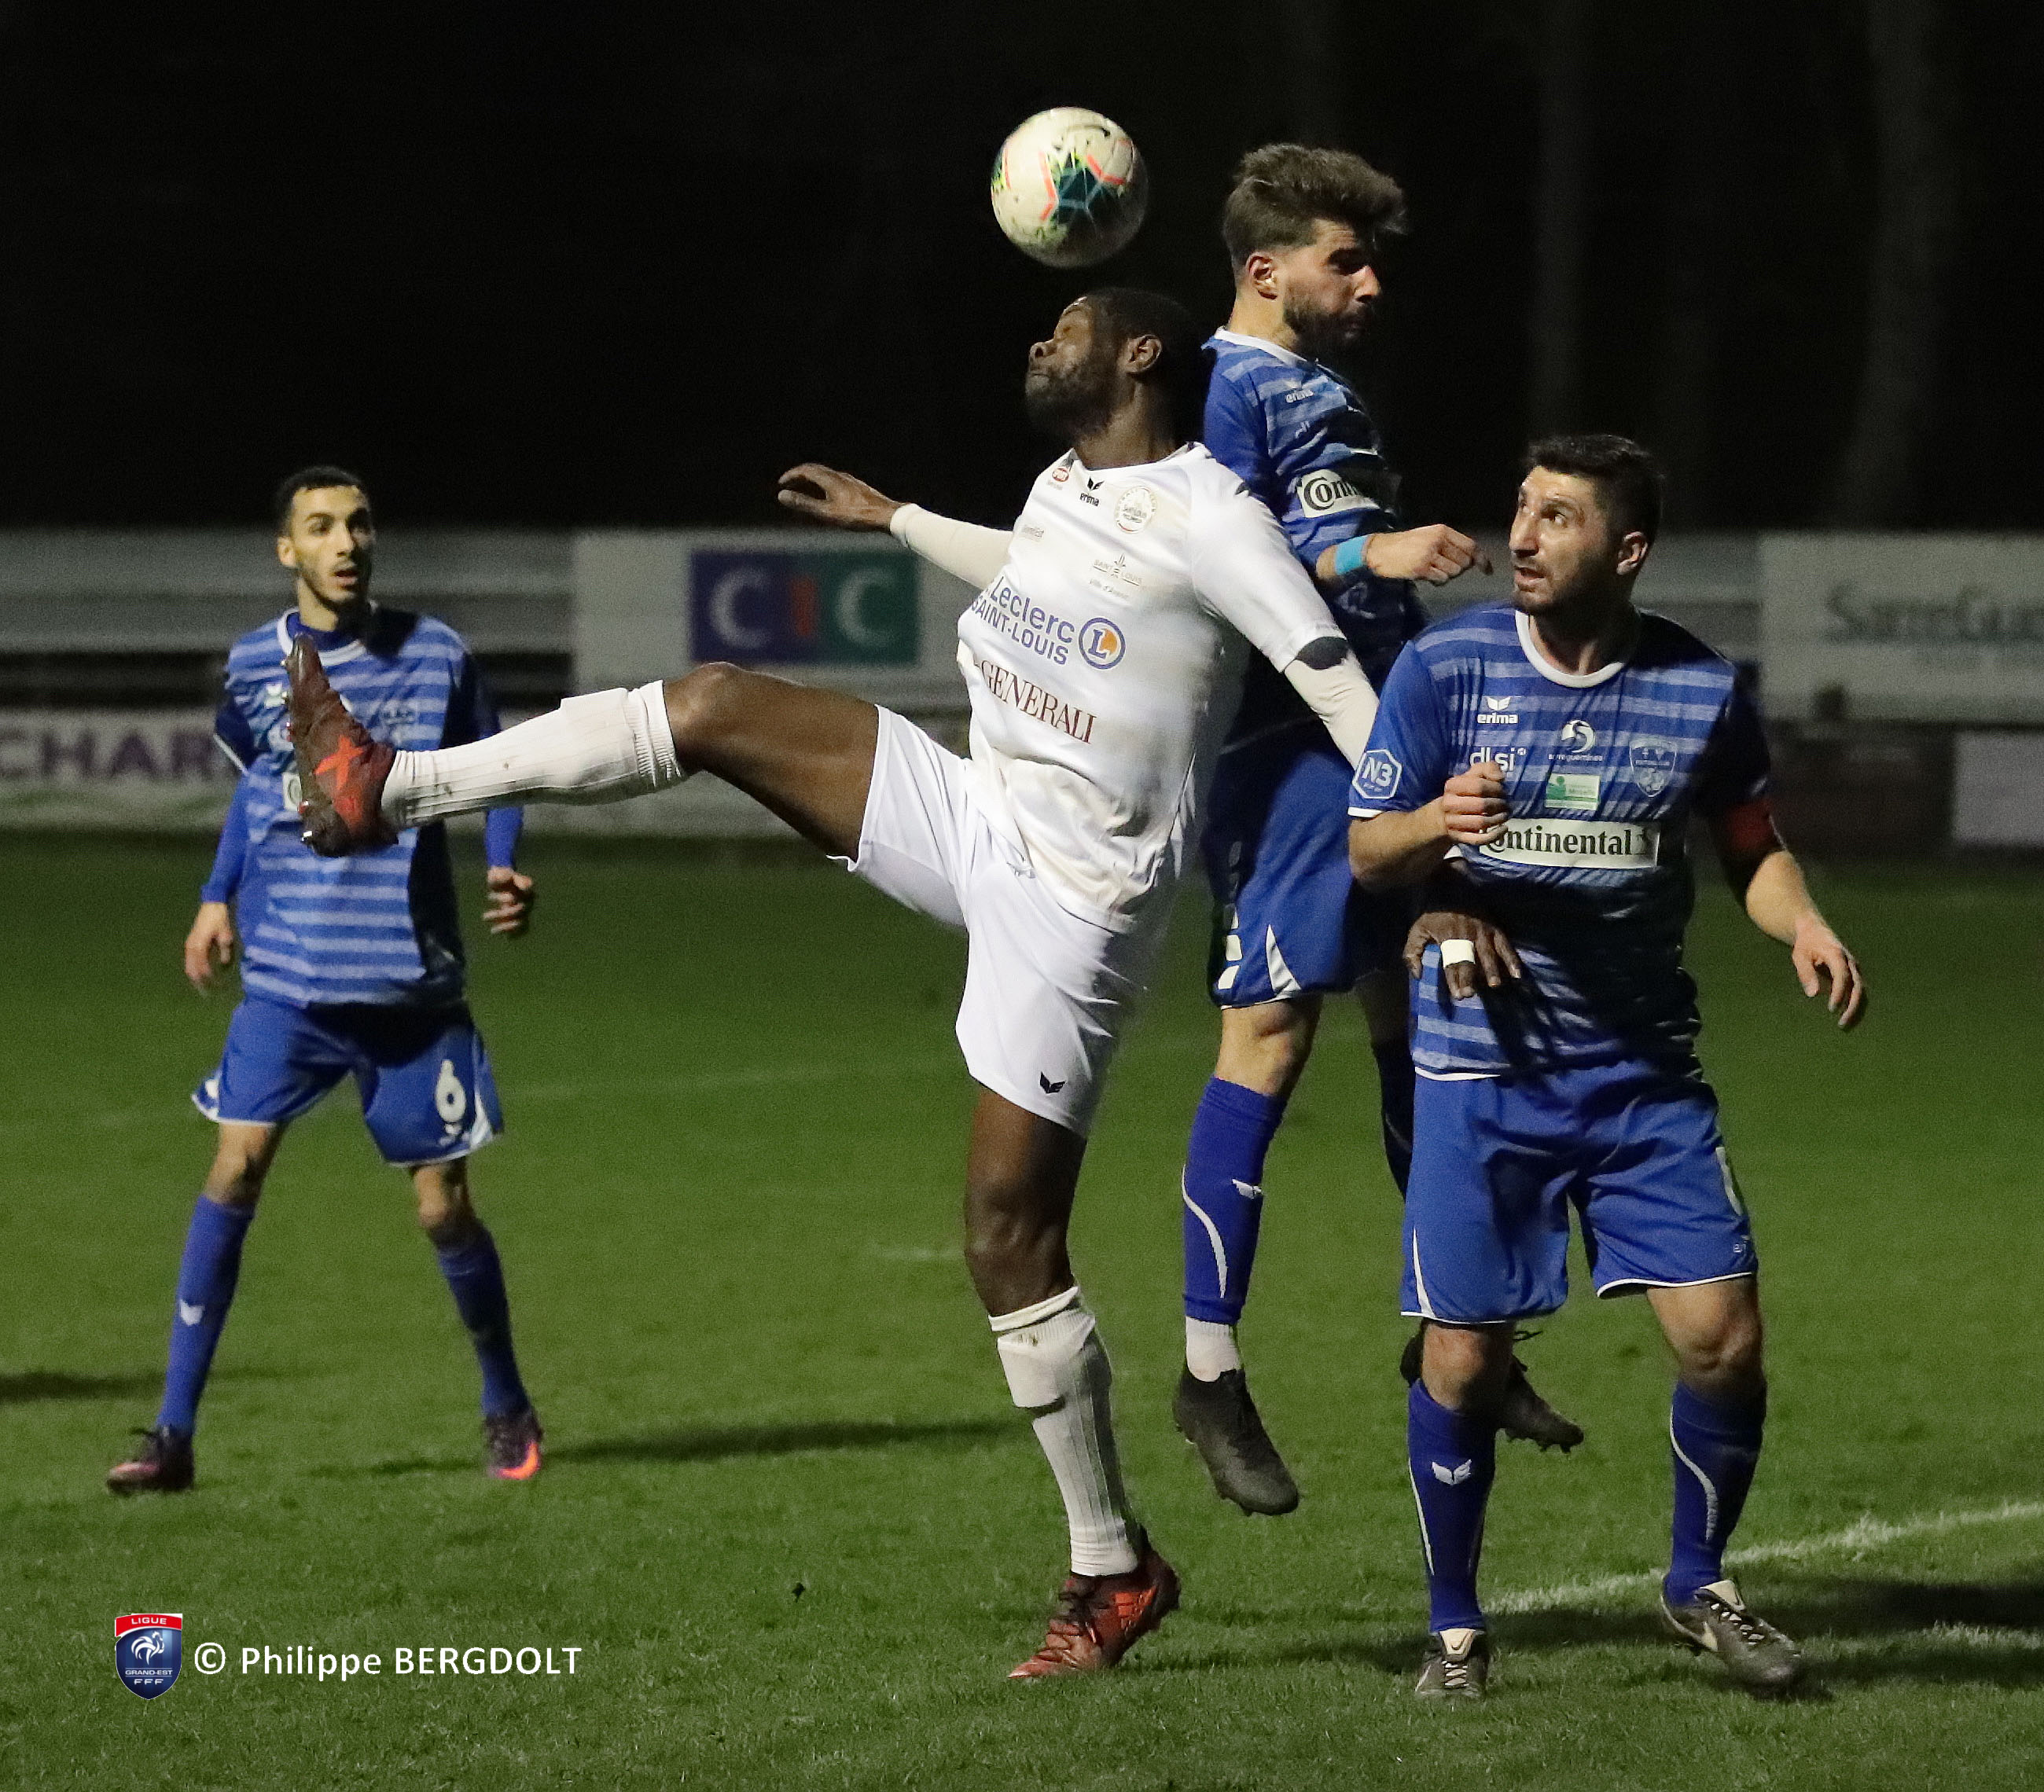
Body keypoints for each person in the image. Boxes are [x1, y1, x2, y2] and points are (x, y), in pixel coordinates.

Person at [285, 290, 1384, 1678]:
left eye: (1068, 324)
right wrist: (896, 518)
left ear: (1142, 354)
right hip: (981, 811)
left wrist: (1439, 846)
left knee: (1006, 1242)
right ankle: (386, 786)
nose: (1041, 340)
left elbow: (1330, 674)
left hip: (1078, 904)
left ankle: (1112, 1567)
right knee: (714, 704)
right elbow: (1036, 565)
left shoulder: (1217, 514)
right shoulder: (1069, 483)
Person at [1347, 434, 1868, 1698]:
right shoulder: (1447, 668)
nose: (1523, 537)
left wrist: (1800, 921)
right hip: (1484, 1072)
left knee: (1724, 1339)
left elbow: (1751, 843)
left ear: (1627, 551)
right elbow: (1366, 849)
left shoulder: (1699, 687)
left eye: (1560, 518)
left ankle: (1700, 1583)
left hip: (1642, 1074)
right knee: (1464, 1359)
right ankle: (1455, 1631)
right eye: (1522, 509)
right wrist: (1437, 832)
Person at [1178, 144, 1581, 1515]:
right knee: (1270, 1037)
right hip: (1288, 752)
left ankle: (1457, 1332)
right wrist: (1373, 553)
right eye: (1343, 261)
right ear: (1265, 268)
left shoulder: (1326, 389)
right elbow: (1208, 562)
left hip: (1389, 734)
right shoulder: (1220, 388)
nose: (1369, 283)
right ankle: (1211, 1371)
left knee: (1446, 1009)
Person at [107, 468, 544, 1495]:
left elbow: (504, 764)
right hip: (291, 980)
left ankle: (505, 1402)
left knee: (442, 1211)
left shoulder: (437, 654)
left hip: (407, 991)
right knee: (234, 1170)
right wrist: (215, 896)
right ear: (287, 550)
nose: (345, 542)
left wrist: (503, 863)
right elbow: (259, 785)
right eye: (320, 527)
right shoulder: (255, 662)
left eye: (357, 524)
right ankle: (173, 1437)